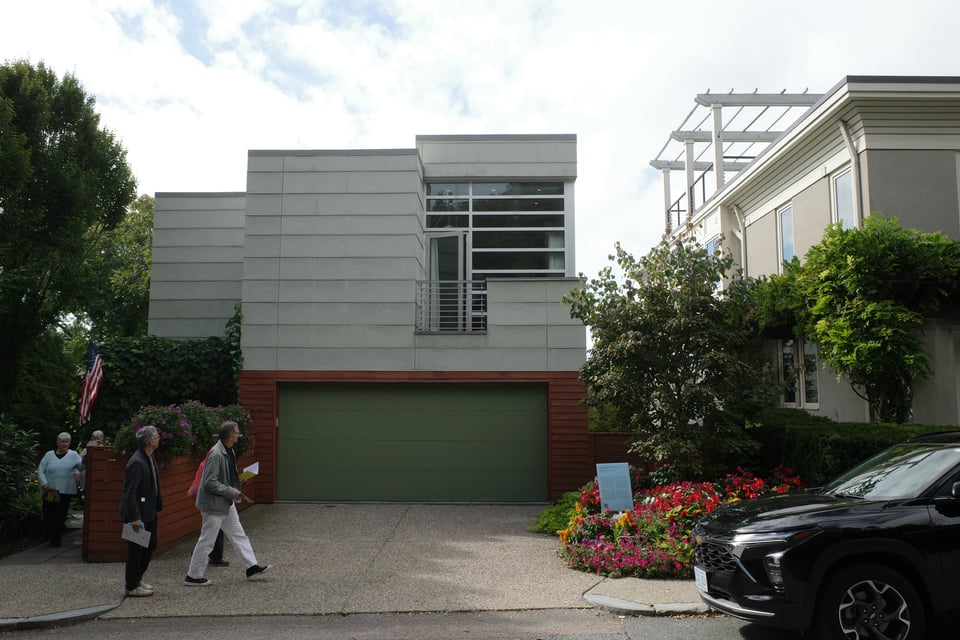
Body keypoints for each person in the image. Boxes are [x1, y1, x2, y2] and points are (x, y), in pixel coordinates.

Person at [185, 421, 271, 586]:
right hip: (214, 504)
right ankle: (193, 576)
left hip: (224, 502)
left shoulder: (227, 450)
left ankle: (251, 566)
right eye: (237, 432)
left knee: (238, 534)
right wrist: (232, 491)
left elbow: (223, 477)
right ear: (230, 436)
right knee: (207, 540)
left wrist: (238, 483)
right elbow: (209, 482)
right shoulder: (217, 453)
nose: (239, 434)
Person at [120, 425, 163, 598]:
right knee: (135, 551)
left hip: (149, 511)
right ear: (151, 441)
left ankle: (137, 579)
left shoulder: (149, 457)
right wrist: (135, 517)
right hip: (137, 515)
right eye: (157, 436)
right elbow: (130, 493)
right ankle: (131, 585)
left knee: (150, 545)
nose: (159, 438)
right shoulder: (137, 461)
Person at [37, 432, 84, 547]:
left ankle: (56, 539)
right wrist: (44, 484)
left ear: (69, 443)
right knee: (48, 515)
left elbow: (82, 467)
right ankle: (49, 536)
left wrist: (86, 460)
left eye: (66, 442)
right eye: (61, 441)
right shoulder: (49, 455)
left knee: (60, 516)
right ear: (57, 442)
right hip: (50, 491)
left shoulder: (73, 455)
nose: (64, 444)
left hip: (65, 491)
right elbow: (41, 470)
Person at [78, 429, 104, 495]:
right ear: (92, 439)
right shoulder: (86, 449)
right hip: (87, 474)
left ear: (102, 439)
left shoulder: (103, 449)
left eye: (99, 438)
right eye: (95, 438)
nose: (97, 440)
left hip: (99, 475)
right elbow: (79, 462)